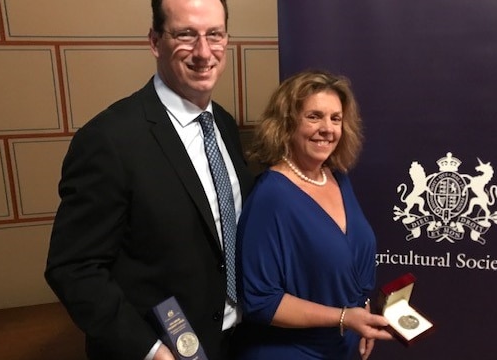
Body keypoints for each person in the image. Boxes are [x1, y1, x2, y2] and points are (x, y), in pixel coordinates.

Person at [44, 1, 254, 359]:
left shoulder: (225, 125)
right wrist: (151, 350)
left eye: (214, 35)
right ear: (155, 41)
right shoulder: (109, 139)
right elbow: (73, 269)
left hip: (234, 340)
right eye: (186, 34)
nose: (204, 52)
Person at [235, 70, 394, 360]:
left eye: (335, 118)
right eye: (314, 117)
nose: (327, 128)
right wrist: (346, 317)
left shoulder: (337, 178)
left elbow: (347, 275)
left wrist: (362, 315)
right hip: (290, 353)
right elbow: (261, 302)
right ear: (287, 123)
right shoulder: (271, 196)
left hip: (343, 347)